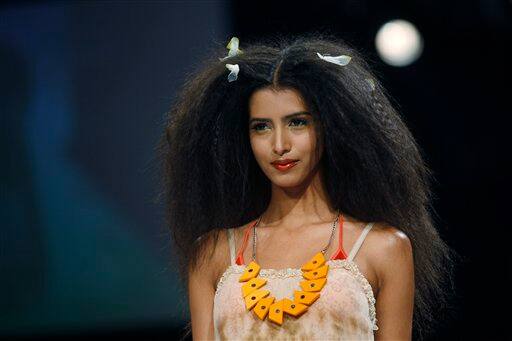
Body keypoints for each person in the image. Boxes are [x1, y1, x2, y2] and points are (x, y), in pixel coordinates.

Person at [157, 33, 456, 340]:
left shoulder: (383, 248)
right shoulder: (213, 253)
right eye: (261, 127)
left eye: (297, 122)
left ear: (328, 127)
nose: (279, 145)